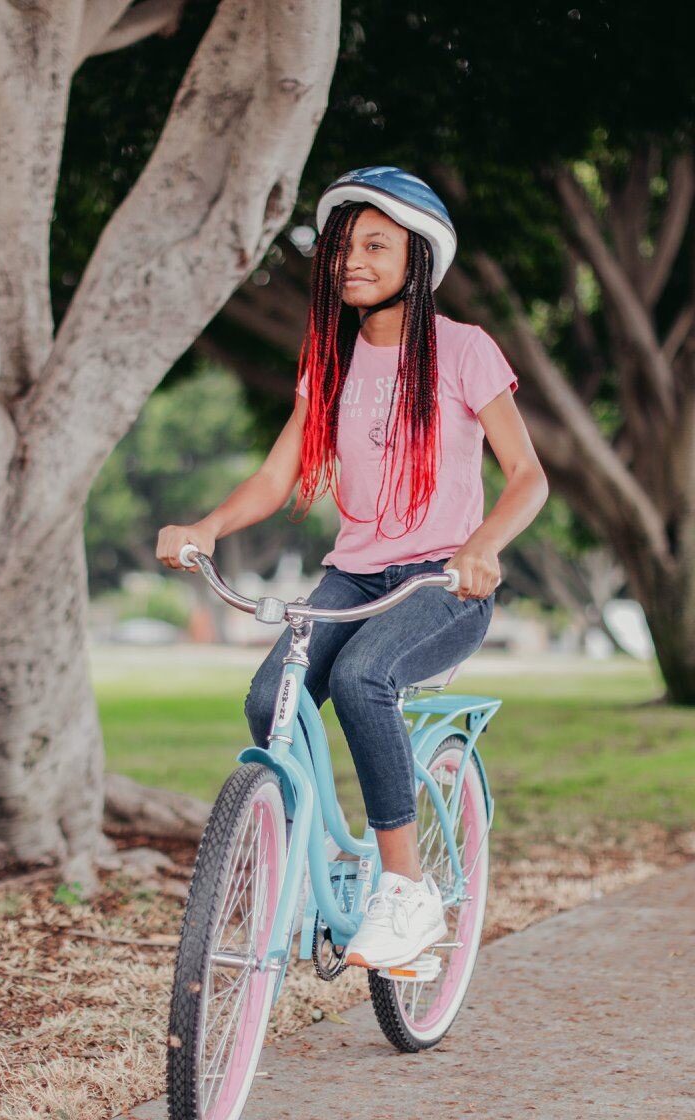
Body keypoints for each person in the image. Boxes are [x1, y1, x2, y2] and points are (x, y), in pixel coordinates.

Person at [157, 166, 548, 970]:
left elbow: (530, 476)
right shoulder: (329, 362)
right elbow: (275, 478)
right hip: (354, 577)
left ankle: (405, 895)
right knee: (272, 694)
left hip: (442, 580)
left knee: (367, 677)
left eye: (377, 245)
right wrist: (207, 525)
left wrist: (482, 547)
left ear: (420, 258)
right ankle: (304, 851)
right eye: (343, 248)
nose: (353, 262)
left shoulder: (466, 351)